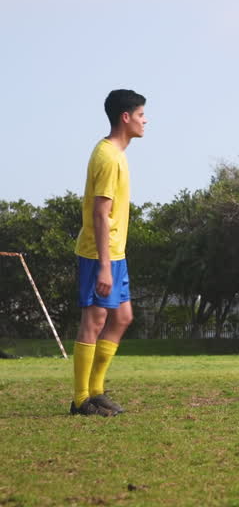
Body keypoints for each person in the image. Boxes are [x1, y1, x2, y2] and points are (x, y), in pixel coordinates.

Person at [69, 89, 147, 417]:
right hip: (98, 254)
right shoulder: (108, 156)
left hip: (116, 254)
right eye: (141, 114)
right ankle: (80, 399)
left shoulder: (117, 154)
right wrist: (103, 265)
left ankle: (97, 390)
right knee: (95, 318)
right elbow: (100, 213)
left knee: (123, 317)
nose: (146, 120)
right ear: (125, 117)